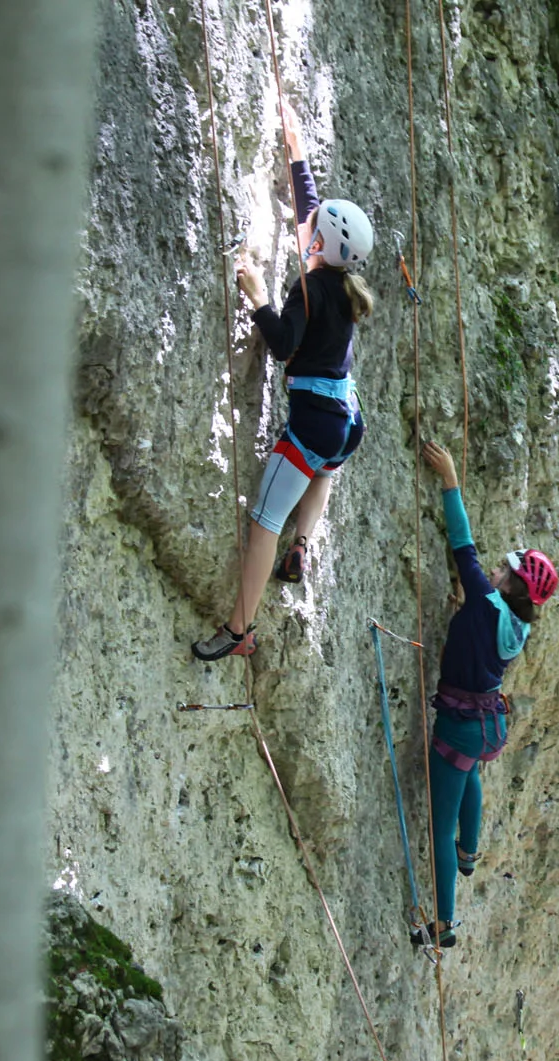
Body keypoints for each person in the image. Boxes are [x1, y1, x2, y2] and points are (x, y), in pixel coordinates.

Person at [193, 99, 377, 661]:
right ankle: (305, 543)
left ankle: (238, 631)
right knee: (324, 470)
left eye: (311, 232)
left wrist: (257, 296)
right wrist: (296, 151)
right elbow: (311, 210)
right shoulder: (340, 282)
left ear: (317, 246)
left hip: (314, 426)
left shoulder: (307, 287)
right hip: (348, 423)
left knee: (262, 521)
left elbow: (281, 344)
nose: (306, 229)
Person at [411, 441, 558, 949]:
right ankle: (470, 853)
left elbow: (462, 545)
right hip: (488, 722)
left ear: (511, 585)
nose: (494, 571)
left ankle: (444, 925)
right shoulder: (519, 624)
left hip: (461, 726)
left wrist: (450, 480)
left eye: (503, 570)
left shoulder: (486, 601)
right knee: (470, 771)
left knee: (439, 826)